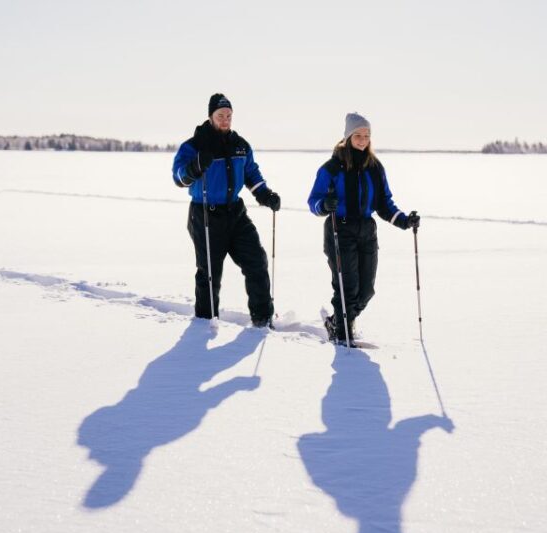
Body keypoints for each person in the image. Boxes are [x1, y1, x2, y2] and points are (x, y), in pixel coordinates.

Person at [307, 112, 420, 344]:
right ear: (347, 137)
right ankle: (342, 338)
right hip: (340, 230)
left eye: (366, 135)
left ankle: (336, 322)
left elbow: (384, 203)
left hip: (367, 231)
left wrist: (404, 220)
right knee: (346, 288)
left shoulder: (375, 167)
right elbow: (314, 201)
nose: (362, 139)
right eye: (358, 135)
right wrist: (324, 205)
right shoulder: (332, 167)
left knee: (366, 291)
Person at [172, 93, 281, 328]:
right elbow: (179, 177)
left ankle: (263, 319)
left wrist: (265, 194)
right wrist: (195, 167)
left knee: (256, 261)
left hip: (236, 213)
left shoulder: (240, 145)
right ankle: (205, 323)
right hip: (205, 214)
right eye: (220, 115)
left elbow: (251, 173)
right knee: (210, 272)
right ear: (211, 116)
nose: (225, 120)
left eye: (229, 116)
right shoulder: (194, 146)